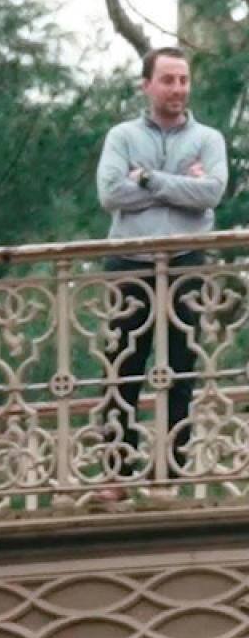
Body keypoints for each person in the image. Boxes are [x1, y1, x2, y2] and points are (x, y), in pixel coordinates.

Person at [95, 46, 229, 483]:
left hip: (186, 261)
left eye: (183, 80)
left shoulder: (208, 139)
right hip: (129, 263)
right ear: (146, 85)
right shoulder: (122, 135)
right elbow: (111, 194)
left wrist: (149, 179)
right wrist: (180, 185)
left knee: (180, 367)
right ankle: (117, 471)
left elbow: (211, 193)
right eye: (168, 80)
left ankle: (172, 469)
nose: (177, 89)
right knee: (122, 368)